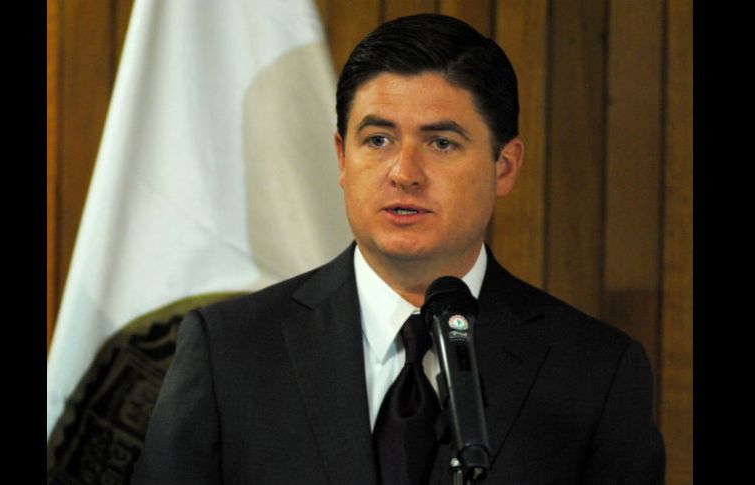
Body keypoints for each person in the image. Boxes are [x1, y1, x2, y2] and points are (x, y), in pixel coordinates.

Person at [132, 13, 665, 484]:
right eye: (378, 140)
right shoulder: (230, 352)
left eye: (441, 143)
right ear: (342, 158)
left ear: (504, 167)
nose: (404, 173)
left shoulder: (594, 372)